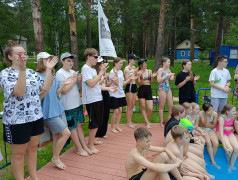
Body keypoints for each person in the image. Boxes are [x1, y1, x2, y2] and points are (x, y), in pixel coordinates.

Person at [0, 40, 57, 179]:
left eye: (24, 53)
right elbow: (19, 92)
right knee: (19, 154)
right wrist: (22, 71)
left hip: (35, 117)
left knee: (32, 149)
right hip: (16, 121)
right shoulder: (5, 73)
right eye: (19, 54)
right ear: (10, 57)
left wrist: (49, 69)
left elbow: (45, 88)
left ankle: (34, 177)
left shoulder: (32, 72)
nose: (23, 56)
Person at [36, 52, 71, 170]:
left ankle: (56, 157)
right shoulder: (35, 76)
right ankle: (55, 158)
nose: (51, 61)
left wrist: (63, 85)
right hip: (47, 111)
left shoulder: (52, 75)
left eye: (51, 59)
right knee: (66, 133)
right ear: (41, 61)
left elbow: (56, 93)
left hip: (57, 108)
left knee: (57, 135)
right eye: (48, 59)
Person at [56, 52, 91, 156]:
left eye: (72, 60)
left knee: (79, 125)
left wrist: (79, 81)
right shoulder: (60, 73)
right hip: (68, 105)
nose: (71, 63)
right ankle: (79, 148)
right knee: (73, 127)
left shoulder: (73, 72)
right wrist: (74, 79)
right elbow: (64, 91)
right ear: (62, 61)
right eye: (68, 60)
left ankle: (84, 146)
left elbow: (79, 88)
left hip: (77, 103)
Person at [82, 48, 109, 154]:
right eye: (96, 57)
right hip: (92, 100)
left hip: (97, 98)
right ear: (89, 57)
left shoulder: (92, 70)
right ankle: (90, 145)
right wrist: (101, 72)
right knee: (94, 123)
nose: (97, 59)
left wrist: (102, 74)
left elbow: (97, 84)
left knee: (98, 121)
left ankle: (92, 140)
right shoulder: (85, 68)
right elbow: (91, 84)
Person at [109, 57, 135, 133]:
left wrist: (129, 80)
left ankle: (117, 126)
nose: (121, 65)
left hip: (120, 93)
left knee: (120, 110)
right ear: (115, 63)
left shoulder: (120, 72)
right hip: (114, 93)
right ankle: (112, 127)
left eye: (122, 63)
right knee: (116, 111)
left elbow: (122, 83)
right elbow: (116, 84)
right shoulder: (112, 72)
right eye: (120, 63)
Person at [94, 57, 117, 141]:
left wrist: (111, 80)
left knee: (106, 113)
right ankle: (96, 134)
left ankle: (103, 132)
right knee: (100, 114)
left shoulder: (104, 73)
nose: (103, 64)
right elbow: (96, 84)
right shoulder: (96, 73)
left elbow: (106, 85)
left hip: (106, 93)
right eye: (101, 63)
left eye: (103, 63)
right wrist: (104, 77)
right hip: (99, 93)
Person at [216, 104, 238, 172]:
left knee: (236, 148)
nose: (235, 112)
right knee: (229, 149)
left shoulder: (233, 116)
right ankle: (228, 162)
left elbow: (234, 127)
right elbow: (221, 133)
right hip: (222, 133)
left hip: (229, 132)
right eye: (234, 111)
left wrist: (230, 128)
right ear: (227, 112)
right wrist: (224, 146)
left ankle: (232, 164)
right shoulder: (221, 118)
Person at [199, 103, 220, 168]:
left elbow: (214, 125)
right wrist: (207, 117)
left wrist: (206, 124)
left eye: (212, 109)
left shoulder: (215, 114)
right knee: (208, 142)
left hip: (210, 129)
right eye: (209, 110)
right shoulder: (201, 113)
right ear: (205, 111)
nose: (212, 111)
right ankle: (213, 161)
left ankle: (211, 158)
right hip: (202, 129)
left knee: (216, 143)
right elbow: (204, 125)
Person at [137, 59, 157, 128]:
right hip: (142, 89)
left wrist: (152, 77)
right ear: (140, 65)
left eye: (145, 63)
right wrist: (142, 79)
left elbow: (152, 82)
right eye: (144, 63)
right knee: (143, 107)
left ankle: (146, 121)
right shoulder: (139, 72)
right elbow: (139, 84)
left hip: (148, 89)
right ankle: (147, 122)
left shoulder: (149, 71)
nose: (145, 64)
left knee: (150, 108)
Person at [157, 57, 175, 127]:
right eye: (168, 62)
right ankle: (161, 122)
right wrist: (167, 75)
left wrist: (171, 78)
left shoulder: (168, 69)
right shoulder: (160, 70)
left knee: (171, 105)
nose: (169, 63)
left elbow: (170, 78)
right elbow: (158, 80)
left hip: (168, 88)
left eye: (170, 62)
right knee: (162, 106)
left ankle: (168, 120)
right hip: (162, 88)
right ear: (163, 63)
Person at [124, 54, 139, 128]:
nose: (135, 61)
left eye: (135, 59)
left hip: (134, 85)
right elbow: (127, 80)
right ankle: (128, 122)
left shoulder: (134, 67)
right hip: (129, 86)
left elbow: (136, 76)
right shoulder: (126, 69)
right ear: (130, 60)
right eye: (134, 59)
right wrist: (134, 73)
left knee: (132, 105)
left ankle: (130, 121)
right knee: (129, 105)